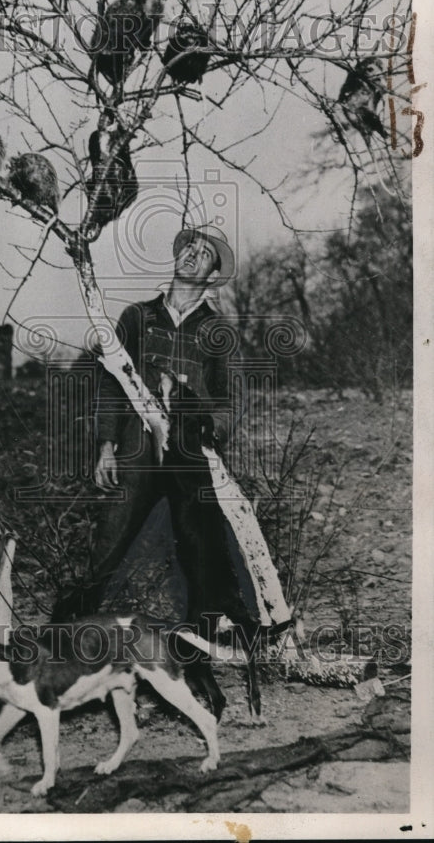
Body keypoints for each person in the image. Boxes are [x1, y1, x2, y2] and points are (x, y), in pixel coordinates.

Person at [52, 224, 290, 653]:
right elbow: (110, 384)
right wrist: (106, 444)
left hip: (188, 453)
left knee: (206, 542)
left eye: (205, 254)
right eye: (190, 248)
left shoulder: (219, 331)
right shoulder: (137, 317)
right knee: (110, 539)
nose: (194, 255)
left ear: (213, 275)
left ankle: (234, 632)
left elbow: (229, 401)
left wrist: (208, 432)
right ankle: (69, 633)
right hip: (137, 447)